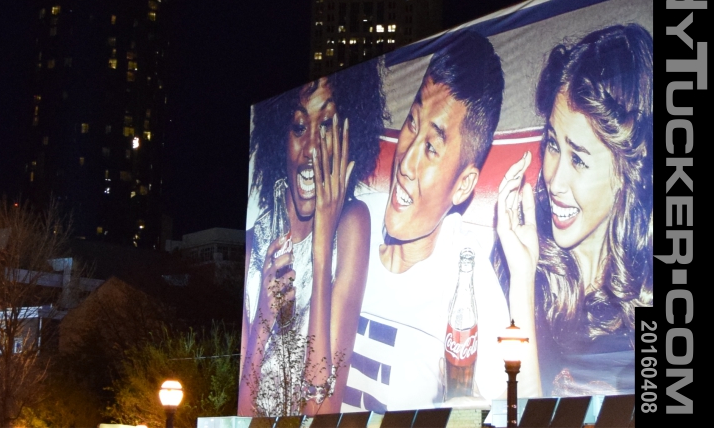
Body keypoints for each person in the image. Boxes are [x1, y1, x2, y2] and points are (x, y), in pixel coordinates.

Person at [342, 30, 514, 414]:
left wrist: (466, 415)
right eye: (411, 123)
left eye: (432, 147)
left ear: (464, 185)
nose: (406, 162)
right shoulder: (352, 220)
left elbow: (504, 413)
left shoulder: (473, 292)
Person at [494, 24, 654, 396]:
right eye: (553, 144)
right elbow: (501, 413)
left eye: (579, 159)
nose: (554, 180)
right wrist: (522, 280)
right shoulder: (514, 251)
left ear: (629, 167)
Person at [240, 61, 386, 416]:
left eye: (326, 127)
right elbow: (241, 412)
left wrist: (322, 251)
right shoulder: (255, 242)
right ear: (281, 136)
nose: (310, 148)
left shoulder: (352, 223)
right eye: (299, 126)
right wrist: (263, 320)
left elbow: (322, 409)